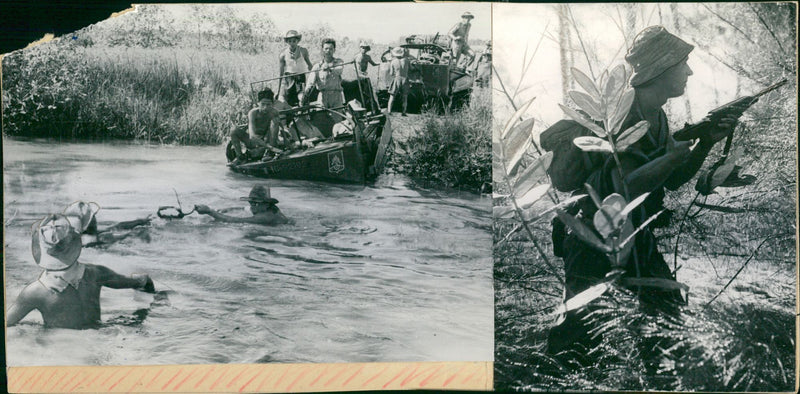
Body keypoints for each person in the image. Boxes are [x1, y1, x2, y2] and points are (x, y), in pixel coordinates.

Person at [547, 26, 740, 361]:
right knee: (576, 341)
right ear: (661, 68)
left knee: (668, 326)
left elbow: (673, 178)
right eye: (684, 64)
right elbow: (624, 186)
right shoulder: (622, 113)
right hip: (592, 237)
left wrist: (705, 142)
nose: (690, 71)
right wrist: (670, 156)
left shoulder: (658, 117)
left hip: (635, 233)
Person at [6, 214, 156, 329]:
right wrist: (148, 309)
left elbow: (7, 325)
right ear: (74, 243)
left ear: (43, 250)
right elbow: (143, 281)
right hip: (101, 338)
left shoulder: (35, 292)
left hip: (63, 351)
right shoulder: (96, 273)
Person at [229, 88, 290, 165]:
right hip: (252, 142)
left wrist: (285, 140)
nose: (265, 107)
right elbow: (252, 136)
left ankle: (268, 153)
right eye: (263, 104)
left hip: (267, 140)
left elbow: (280, 126)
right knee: (233, 130)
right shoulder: (253, 113)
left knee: (275, 122)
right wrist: (272, 148)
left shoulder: (274, 112)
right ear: (258, 103)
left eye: (268, 104)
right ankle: (240, 157)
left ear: (272, 104)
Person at [63, 201, 152, 247]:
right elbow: (116, 236)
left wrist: (139, 221)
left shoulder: (80, 236)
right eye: (93, 217)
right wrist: (132, 234)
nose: (95, 219)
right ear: (88, 222)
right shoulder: (92, 238)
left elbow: (117, 226)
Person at [195, 185, 290, 225]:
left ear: (266, 203)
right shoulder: (269, 208)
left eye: (255, 203)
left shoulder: (264, 217)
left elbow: (236, 221)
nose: (252, 206)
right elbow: (245, 208)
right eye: (250, 202)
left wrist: (210, 212)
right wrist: (228, 209)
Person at [304, 38, 345, 110]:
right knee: (321, 119)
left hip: (336, 97)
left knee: (338, 119)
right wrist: (306, 94)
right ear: (322, 50)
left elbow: (339, 71)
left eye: (330, 49)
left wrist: (329, 68)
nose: (328, 51)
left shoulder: (339, 62)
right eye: (326, 49)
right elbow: (310, 82)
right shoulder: (317, 66)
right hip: (322, 97)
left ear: (334, 50)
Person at [278, 30, 313, 107]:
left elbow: (309, 65)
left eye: (294, 41)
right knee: (288, 98)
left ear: (297, 41)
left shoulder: (303, 51)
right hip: (289, 78)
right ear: (287, 42)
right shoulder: (283, 54)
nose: (292, 43)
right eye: (290, 41)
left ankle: (303, 110)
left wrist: (314, 74)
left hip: (300, 77)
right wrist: (279, 89)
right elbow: (281, 72)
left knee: (302, 97)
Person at [386, 46, 411, 116]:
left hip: (397, 78)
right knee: (405, 96)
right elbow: (411, 68)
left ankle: (389, 111)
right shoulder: (407, 60)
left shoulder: (393, 62)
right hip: (405, 79)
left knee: (392, 96)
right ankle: (404, 112)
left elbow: (391, 73)